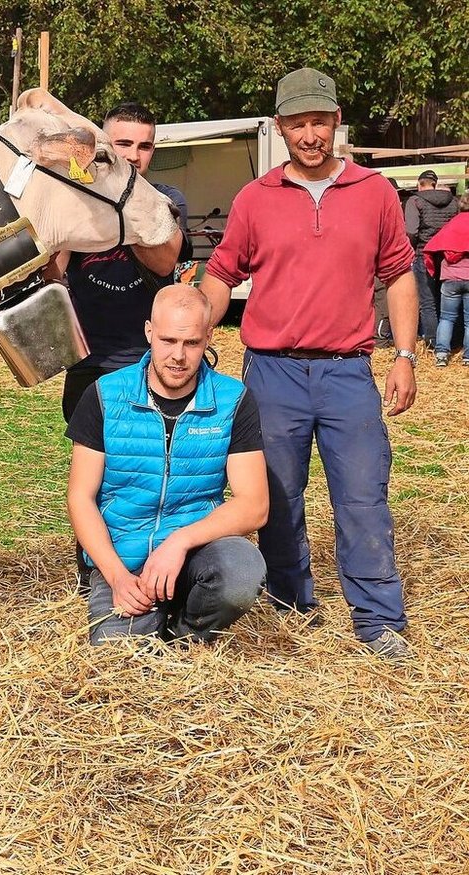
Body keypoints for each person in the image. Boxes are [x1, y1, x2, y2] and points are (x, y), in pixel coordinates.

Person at [198, 67, 418, 659]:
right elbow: (222, 272)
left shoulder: (374, 193)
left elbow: (398, 274)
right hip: (272, 370)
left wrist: (404, 355)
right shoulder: (255, 197)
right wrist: (196, 325)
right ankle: (290, 601)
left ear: (336, 122)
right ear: (281, 127)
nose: (310, 134)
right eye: (298, 124)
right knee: (274, 494)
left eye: (320, 121)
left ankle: (378, 619)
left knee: (363, 495)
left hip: (348, 370)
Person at [66, 284, 267, 645]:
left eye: (191, 343)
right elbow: (81, 497)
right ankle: (138, 614)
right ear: (149, 332)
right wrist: (116, 577)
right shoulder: (105, 394)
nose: (178, 355)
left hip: (195, 553)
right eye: (167, 340)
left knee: (241, 571)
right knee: (119, 660)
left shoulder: (232, 400)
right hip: (125, 557)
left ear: (209, 337)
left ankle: (186, 637)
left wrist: (179, 542)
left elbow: (254, 505)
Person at [52, 101, 192, 421]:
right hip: (89, 362)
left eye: (144, 146)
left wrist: (124, 207)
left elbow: (164, 262)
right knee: (92, 465)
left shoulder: (167, 199)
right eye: (124, 144)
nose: (133, 155)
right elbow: (54, 272)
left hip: (150, 360)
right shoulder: (80, 201)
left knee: (148, 463)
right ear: (105, 144)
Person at [405, 170, 457, 350]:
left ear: (420, 184)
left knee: (427, 301)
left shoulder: (415, 201)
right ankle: (452, 341)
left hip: (423, 253)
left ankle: (433, 342)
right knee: (446, 299)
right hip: (448, 256)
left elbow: (411, 230)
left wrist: (410, 248)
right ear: (435, 183)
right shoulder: (453, 201)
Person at [423, 193, 469, 366]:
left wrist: (432, 270)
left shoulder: (451, 225)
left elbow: (431, 247)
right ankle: (467, 357)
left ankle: (441, 353)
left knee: (446, 318)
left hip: (449, 279)